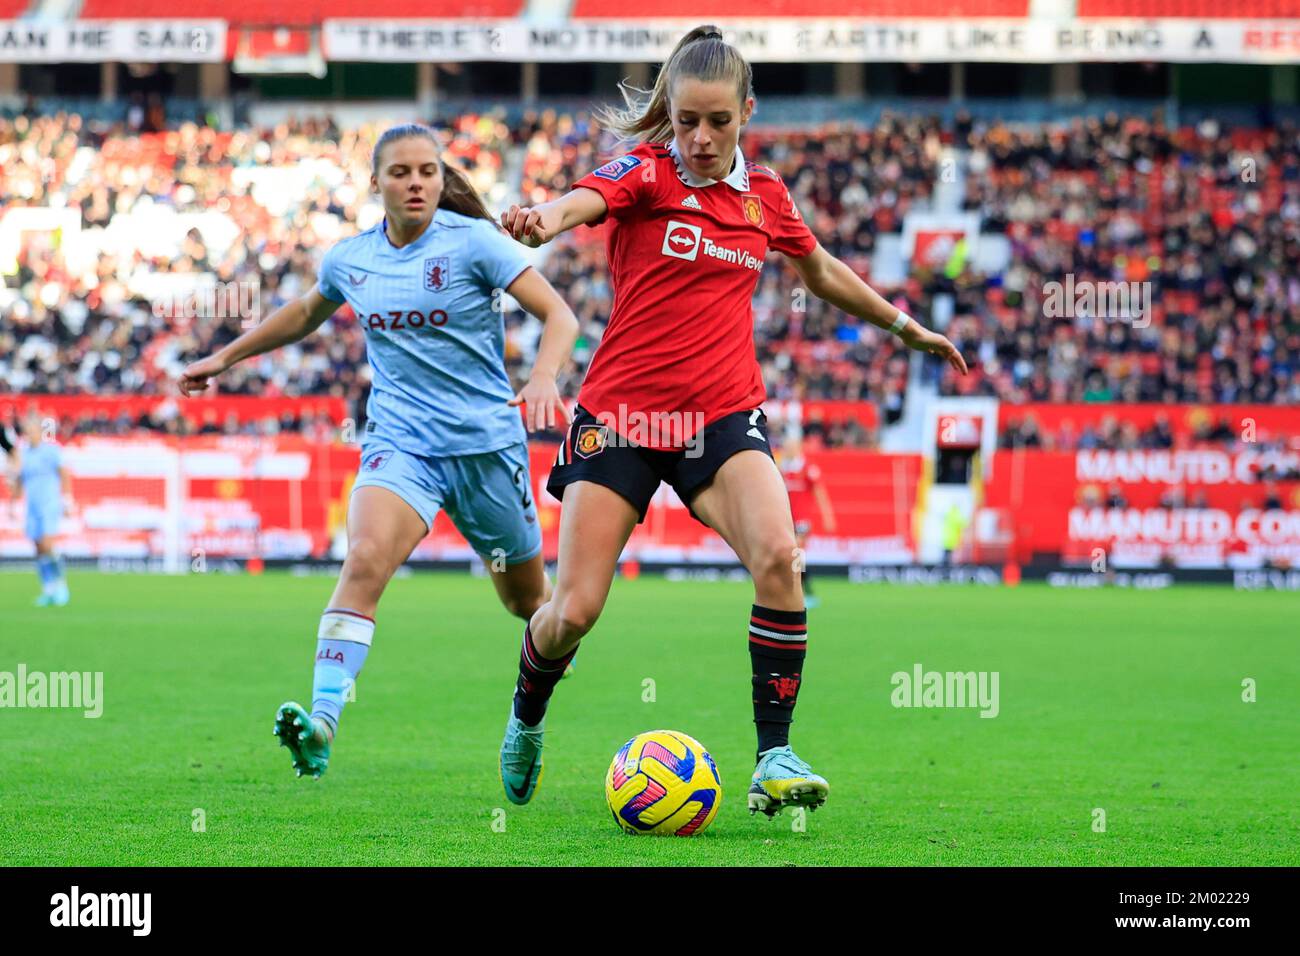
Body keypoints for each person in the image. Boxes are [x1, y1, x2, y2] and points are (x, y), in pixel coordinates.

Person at [496, 26, 968, 815]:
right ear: (669, 118)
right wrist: (545, 217)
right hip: (619, 416)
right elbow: (584, 201)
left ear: (746, 111)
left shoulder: (767, 199)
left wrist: (903, 326)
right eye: (686, 122)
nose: (702, 138)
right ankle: (526, 717)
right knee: (572, 611)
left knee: (781, 557)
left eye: (718, 121)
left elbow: (817, 270)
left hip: (720, 415)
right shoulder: (645, 173)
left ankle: (774, 756)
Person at [178, 124, 579, 779]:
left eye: (427, 171)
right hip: (402, 446)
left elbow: (560, 316)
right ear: (377, 183)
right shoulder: (352, 259)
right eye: (401, 172)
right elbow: (306, 312)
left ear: (440, 177)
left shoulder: (476, 243)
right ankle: (323, 725)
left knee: (530, 604)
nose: (416, 182)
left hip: (485, 449)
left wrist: (542, 377)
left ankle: (527, 722)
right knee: (362, 560)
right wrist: (223, 357)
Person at [12, 411, 72, 607]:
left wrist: (67, 499)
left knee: (47, 544)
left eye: (32, 429)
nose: (29, 433)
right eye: (27, 430)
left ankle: (61, 585)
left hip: (49, 503)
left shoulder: (51, 451)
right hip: (33, 505)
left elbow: (64, 474)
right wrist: (13, 502)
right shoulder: (24, 453)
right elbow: (20, 479)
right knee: (38, 549)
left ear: (40, 430)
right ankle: (48, 589)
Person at [778, 433, 836, 608]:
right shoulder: (782, 468)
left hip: (802, 520)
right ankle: (805, 592)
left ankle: (800, 592)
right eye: (786, 447)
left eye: (791, 447)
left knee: (796, 553)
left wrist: (828, 516)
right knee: (793, 556)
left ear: (798, 448)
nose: (788, 450)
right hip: (786, 519)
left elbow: (820, 493)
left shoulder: (808, 468)